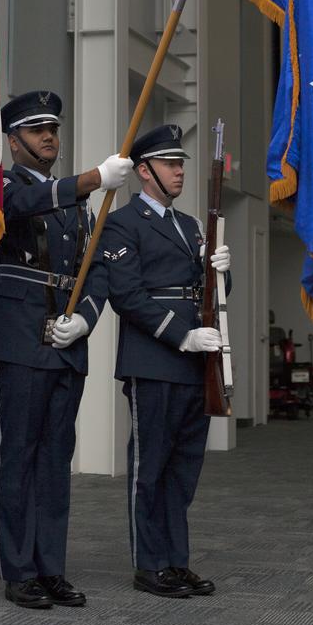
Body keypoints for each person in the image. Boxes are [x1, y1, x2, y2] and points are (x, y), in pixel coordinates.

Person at [0, 90, 134, 609]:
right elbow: (20, 208)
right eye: (35, 129)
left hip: (65, 339)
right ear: (12, 140)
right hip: (19, 334)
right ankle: (19, 569)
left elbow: (94, 270)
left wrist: (86, 319)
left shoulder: (77, 204)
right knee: (19, 453)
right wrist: (93, 177)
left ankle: (51, 568)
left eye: (53, 128)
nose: (49, 136)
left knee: (54, 459)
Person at [92, 123, 230, 599]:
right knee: (149, 468)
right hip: (153, 358)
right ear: (145, 171)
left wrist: (220, 274)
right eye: (171, 164)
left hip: (196, 359)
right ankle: (149, 565)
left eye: (182, 164)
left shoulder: (191, 225)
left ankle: (176, 560)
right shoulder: (121, 223)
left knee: (183, 468)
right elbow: (127, 296)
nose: (180, 171)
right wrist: (181, 335)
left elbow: (207, 294)